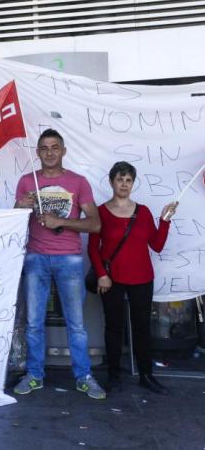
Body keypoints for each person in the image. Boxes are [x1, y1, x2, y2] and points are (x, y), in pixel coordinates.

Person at [13, 129, 106, 399]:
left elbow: (95, 224)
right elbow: (13, 221)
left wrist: (60, 221)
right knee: (34, 322)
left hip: (69, 259)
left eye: (55, 147)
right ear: (38, 152)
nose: (50, 152)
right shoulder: (26, 181)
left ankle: (84, 376)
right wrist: (19, 207)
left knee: (76, 324)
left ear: (63, 151)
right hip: (35, 257)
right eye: (44, 148)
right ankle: (34, 375)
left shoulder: (78, 182)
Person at [88, 161, 177, 394]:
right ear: (111, 182)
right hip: (112, 279)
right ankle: (114, 376)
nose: (124, 184)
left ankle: (146, 375)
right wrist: (101, 274)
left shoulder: (143, 212)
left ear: (133, 183)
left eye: (129, 180)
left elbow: (156, 245)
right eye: (120, 179)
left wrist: (165, 220)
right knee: (113, 327)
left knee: (142, 328)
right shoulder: (101, 212)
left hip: (142, 278)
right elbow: (92, 248)